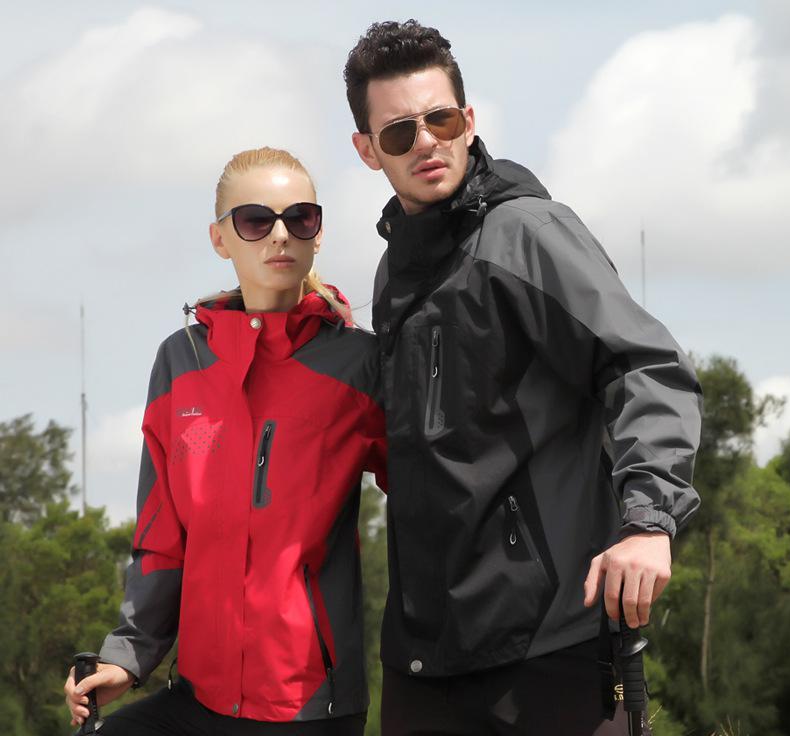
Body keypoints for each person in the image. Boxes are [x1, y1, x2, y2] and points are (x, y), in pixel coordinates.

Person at [344, 20, 702, 736]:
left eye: (442, 119)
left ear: (469, 120)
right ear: (367, 150)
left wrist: (647, 521)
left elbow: (645, 365)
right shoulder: (393, 274)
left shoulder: (527, 235)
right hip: (425, 658)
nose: (426, 142)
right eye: (400, 132)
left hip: (548, 644)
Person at [64, 147, 386, 735]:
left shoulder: (360, 364)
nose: (280, 235)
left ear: (318, 235)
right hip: (198, 699)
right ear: (220, 239)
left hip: (308, 707)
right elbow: (162, 536)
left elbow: (433, 495)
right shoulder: (180, 360)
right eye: (256, 220)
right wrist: (126, 657)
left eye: (300, 218)